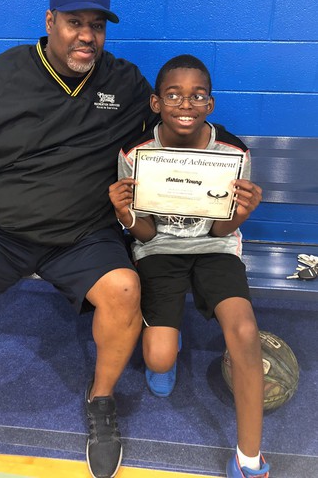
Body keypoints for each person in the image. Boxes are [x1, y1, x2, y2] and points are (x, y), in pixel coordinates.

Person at [0, 0, 157, 478]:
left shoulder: (125, 83)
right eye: (74, 22)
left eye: (97, 25)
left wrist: (224, 161)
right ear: (50, 21)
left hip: (84, 233)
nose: (86, 36)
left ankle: (101, 399)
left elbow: (173, 128)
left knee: (125, 290)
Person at [109, 55, 270, 478]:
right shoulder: (136, 153)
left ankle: (249, 459)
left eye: (197, 96)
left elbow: (220, 231)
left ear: (210, 104)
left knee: (245, 331)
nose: (186, 105)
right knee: (160, 359)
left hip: (215, 247)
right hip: (160, 249)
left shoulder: (232, 152)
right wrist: (125, 214)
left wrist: (241, 214)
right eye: (174, 95)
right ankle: (167, 335)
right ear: (156, 103)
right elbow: (146, 235)